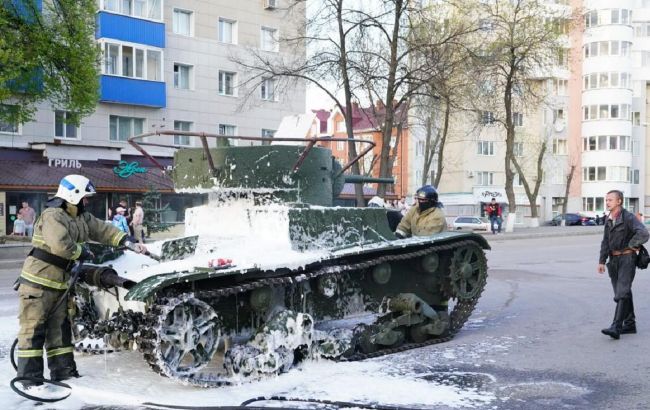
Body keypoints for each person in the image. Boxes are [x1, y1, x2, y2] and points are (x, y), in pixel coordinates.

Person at [15, 174, 148, 387]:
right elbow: (61, 245)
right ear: (72, 195)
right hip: (37, 284)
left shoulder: (80, 217)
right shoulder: (52, 216)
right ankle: (31, 381)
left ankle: (64, 375)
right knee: (33, 332)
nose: (87, 201)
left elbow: (102, 229)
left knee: (60, 333)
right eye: (85, 197)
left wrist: (126, 240)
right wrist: (81, 251)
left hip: (59, 286)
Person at [598, 190, 649, 340]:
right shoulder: (609, 219)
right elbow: (605, 242)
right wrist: (601, 261)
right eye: (606, 200)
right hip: (613, 261)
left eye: (610, 200)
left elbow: (644, 234)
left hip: (627, 258)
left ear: (619, 201)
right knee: (622, 292)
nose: (607, 202)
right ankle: (630, 323)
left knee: (622, 291)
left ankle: (616, 326)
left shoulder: (628, 217)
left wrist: (631, 245)